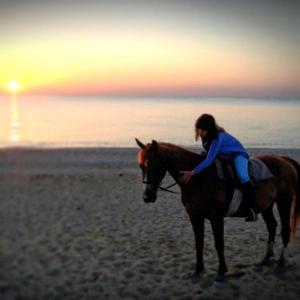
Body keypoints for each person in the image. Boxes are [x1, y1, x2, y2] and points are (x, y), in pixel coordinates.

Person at [179, 113, 257, 221]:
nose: (200, 132)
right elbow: (209, 153)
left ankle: (252, 209)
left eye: (203, 129)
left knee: (243, 176)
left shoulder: (217, 138)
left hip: (237, 155)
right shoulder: (205, 137)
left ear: (209, 129)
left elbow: (209, 160)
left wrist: (193, 172)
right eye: (199, 129)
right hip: (223, 155)